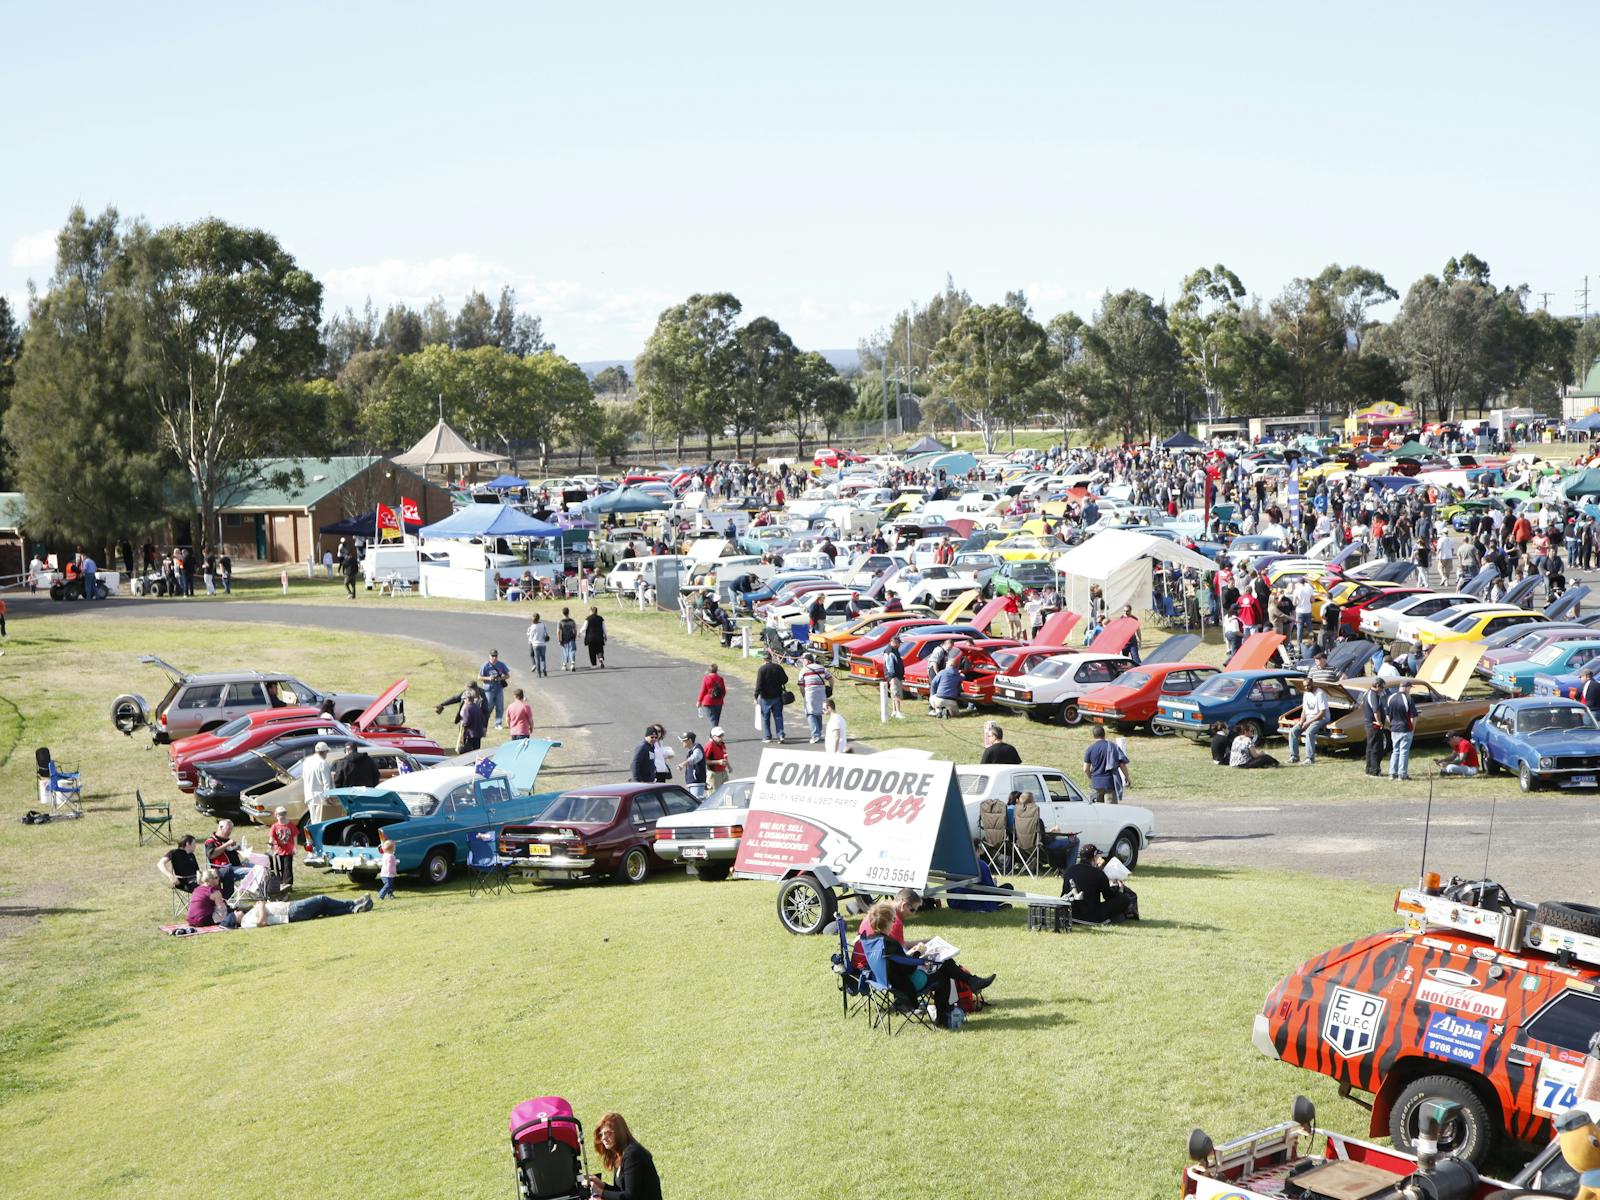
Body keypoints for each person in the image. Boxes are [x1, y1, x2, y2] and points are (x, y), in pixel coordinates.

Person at [587, 1112, 662, 1200]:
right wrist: (601, 1185)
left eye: (608, 1133)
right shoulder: (619, 1154)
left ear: (619, 1133)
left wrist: (600, 1192)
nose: (603, 1138)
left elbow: (630, 1196)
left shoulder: (633, 1154)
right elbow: (620, 1191)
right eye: (601, 1134)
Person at [1065, 844, 1137, 923]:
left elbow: (1064, 893)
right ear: (1094, 858)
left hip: (1070, 913)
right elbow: (1108, 897)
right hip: (1090, 916)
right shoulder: (1098, 873)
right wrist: (1119, 889)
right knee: (1124, 899)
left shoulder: (1070, 870)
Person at [237, 893, 373, 927]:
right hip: (290, 912)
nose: (236, 911)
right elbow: (261, 923)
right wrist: (261, 907)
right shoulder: (245, 923)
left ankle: (355, 909)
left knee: (323, 909)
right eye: (235, 913)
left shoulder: (247, 917)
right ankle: (354, 903)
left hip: (289, 908)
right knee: (321, 900)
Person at [302, 741, 334, 862]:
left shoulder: (307, 761)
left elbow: (304, 778)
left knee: (313, 822)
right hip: (320, 797)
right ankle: (319, 850)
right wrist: (329, 798)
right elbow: (326, 783)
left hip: (310, 796)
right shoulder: (322, 763)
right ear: (324, 752)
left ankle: (312, 849)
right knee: (320, 825)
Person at [203, 820, 253, 894]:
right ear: (221, 827)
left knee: (260, 867)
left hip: (237, 867)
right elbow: (211, 855)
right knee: (253, 871)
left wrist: (238, 849)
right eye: (228, 829)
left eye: (231, 829)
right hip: (223, 870)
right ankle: (247, 890)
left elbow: (232, 855)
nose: (230, 831)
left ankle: (260, 892)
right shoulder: (211, 841)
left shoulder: (227, 840)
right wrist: (226, 844)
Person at [1287, 682, 1330, 765]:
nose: (1306, 687)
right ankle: (1294, 757)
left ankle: (1310, 758)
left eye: (1308, 685)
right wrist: (1301, 721)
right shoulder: (1306, 694)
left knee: (1309, 732)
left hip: (1322, 718)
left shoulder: (1320, 693)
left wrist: (1308, 723)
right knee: (1293, 731)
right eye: (1305, 686)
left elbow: (1322, 714)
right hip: (1309, 718)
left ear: (1312, 684)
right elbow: (1304, 710)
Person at [1082, 725, 1128, 802]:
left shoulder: (1090, 749)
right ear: (1104, 734)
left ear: (1094, 736)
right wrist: (1127, 776)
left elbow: (1085, 769)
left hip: (1096, 784)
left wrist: (1092, 777)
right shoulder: (1113, 747)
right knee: (1110, 811)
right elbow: (1122, 764)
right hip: (1110, 784)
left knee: (1098, 811)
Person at [1386, 679, 1418, 781]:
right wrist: (1412, 728)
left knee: (1395, 750)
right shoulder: (1408, 699)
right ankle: (1402, 774)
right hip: (1405, 728)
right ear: (1407, 688)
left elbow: (1387, 716)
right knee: (1404, 751)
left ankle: (1392, 773)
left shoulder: (1390, 698)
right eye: (1410, 688)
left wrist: (1392, 723)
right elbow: (1413, 717)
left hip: (1394, 728)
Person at [754, 650, 788, 743]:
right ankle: (781, 735)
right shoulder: (778, 667)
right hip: (777, 695)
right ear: (771, 658)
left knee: (765, 717)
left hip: (765, 697)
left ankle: (767, 736)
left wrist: (755, 696)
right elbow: (785, 680)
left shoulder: (762, 669)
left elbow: (759, 684)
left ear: (764, 659)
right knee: (778, 716)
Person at [1362, 678, 1390, 777]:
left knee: (1370, 747)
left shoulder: (1368, 693)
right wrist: (1380, 723)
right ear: (1377, 686)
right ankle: (1374, 770)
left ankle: (1369, 769)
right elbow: (1376, 711)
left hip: (1370, 724)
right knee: (1376, 748)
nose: (1382, 689)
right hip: (1374, 725)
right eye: (1382, 687)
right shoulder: (1373, 695)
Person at [798, 658, 830, 742]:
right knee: (819, 712)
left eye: (804, 660)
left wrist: (804, 695)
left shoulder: (803, 670)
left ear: (808, 661)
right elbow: (830, 679)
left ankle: (815, 735)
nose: (803, 662)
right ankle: (819, 732)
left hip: (810, 692)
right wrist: (830, 690)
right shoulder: (822, 668)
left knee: (810, 713)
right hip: (821, 692)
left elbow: (801, 685)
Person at [479, 650, 510, 730]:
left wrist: (500, 678)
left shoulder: (501, 665)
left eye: (495, 656)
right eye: (492, 656)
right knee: (488, 706)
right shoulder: (485, 666)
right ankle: (483, 722)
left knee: (500, 706)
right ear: (489, 656)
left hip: (499, 689)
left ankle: (498, 723)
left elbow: (507, 675)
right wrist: (489, 678)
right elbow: (479, 677)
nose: (494, 657)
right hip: (488, 689)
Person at [268, 805, 297, 888]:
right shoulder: (275, 826)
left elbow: (295, 836)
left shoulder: (290, 825)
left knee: (288, 867)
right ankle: (280, 884)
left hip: (288, 850)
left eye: (283, 814)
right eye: (279, 814)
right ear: (276, 815)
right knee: (279, 868)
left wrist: (295, 847)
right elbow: (272, 837)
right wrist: (270, 845)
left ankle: (288, 884)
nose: (281, 816)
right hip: (278, 851)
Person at [882, 636, 907, 720]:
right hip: (894, 676)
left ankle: (894, 711)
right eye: (899, 643)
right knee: (896, 694)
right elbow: (889, 666)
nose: (900, 645)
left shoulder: (894, 651)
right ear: (894, 642)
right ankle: (898, 712)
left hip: (895, 676)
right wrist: (893, 677)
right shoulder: (889, 652)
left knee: (894, 693)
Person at [679, 731, 707, 799]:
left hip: (697, 783)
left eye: (684, 741)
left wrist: (684, 763)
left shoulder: (697, 749)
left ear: (690, 740)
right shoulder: (692, 750)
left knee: (696, 805)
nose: (682, 742)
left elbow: (695, 757)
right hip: (694, 784)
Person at [698, 663, 727, 727]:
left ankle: (716, 735)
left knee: (712, 720)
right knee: (716, 720)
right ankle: (714, 735)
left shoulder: (706, 678)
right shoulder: (720, 679)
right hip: (719, 702)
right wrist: (721, 698)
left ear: (709, 670)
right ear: (716, 670)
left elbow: (703, 691)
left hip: (708, 701)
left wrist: (699, 701)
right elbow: (724, 691)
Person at [558, 607, 580, 672]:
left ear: (563, 613)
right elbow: (575, 630)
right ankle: (572, 663)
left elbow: (558, 631)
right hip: (571, 638)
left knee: (564, 651)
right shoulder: (572, 621)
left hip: (564, 639)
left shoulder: (561, 622)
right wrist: (575, 636)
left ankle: (564, 665)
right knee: (572, 651)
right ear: (568, 612)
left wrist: (559, 639)